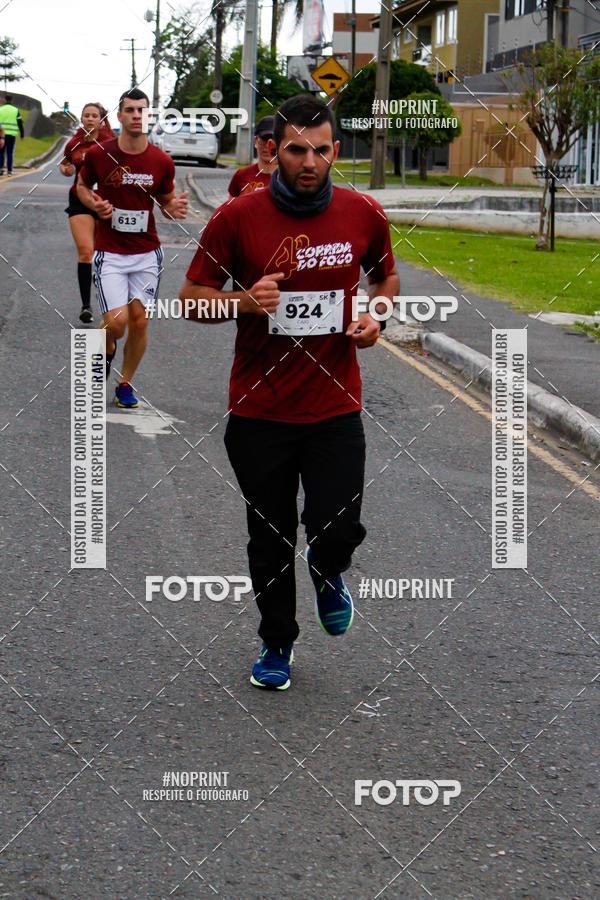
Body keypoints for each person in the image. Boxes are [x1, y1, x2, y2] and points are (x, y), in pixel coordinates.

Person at [180, 95, 399, 690]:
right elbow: (190, 296)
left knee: (336, 525)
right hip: (260, 410)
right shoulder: (237, 219)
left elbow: (385, 274)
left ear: (335, 150)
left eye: (322, 150)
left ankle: (330, 571)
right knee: (269, 535)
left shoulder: (362, 213)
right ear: (275, 149)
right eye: (298, 150)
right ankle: (277, 642)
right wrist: (243, 302)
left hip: (335, 405)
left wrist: (376, 316)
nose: (310, 162)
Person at [76, 88, 188, 408]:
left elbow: (165, 201)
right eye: (131, 110)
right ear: (121, 116)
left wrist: (173, 209)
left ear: (147, 115)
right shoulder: (100, 154)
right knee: (117, 322)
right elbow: (82, 187)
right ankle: (106, 347)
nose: (137, 116)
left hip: (146, 253)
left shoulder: (161, 161)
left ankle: (125, 383)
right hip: (110, 252)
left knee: (139, 320)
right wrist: (93, 204)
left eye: (142, 110)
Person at [60, 103, 115, 323]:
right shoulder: (74, 143)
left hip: (105, 201)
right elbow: (65, 165)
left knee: (104, 256)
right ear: (82, 119)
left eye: (94, 115)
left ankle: (109, 301)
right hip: (79, 200)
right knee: (85, 251)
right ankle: (86, 306)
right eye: (86, 115)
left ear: (101, 120)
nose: (90, 119)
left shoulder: (111, 143)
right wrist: (66, 169)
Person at [227, 116, 277, 199]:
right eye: (264, 139)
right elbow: (229, 208)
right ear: (255, 141)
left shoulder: (287, 178)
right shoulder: (241, 175)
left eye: (272, 140)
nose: (267, 146)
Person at [0, 94, 24, 176]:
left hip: (1, 135)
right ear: (11, 100)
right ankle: (9, 171)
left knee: (1, 152)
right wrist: (22, 134)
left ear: (4, 99)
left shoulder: (1, 109)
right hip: (11, 135)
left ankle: (0, 169)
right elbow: (20, 123)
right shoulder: (15, 110)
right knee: (10, 153)